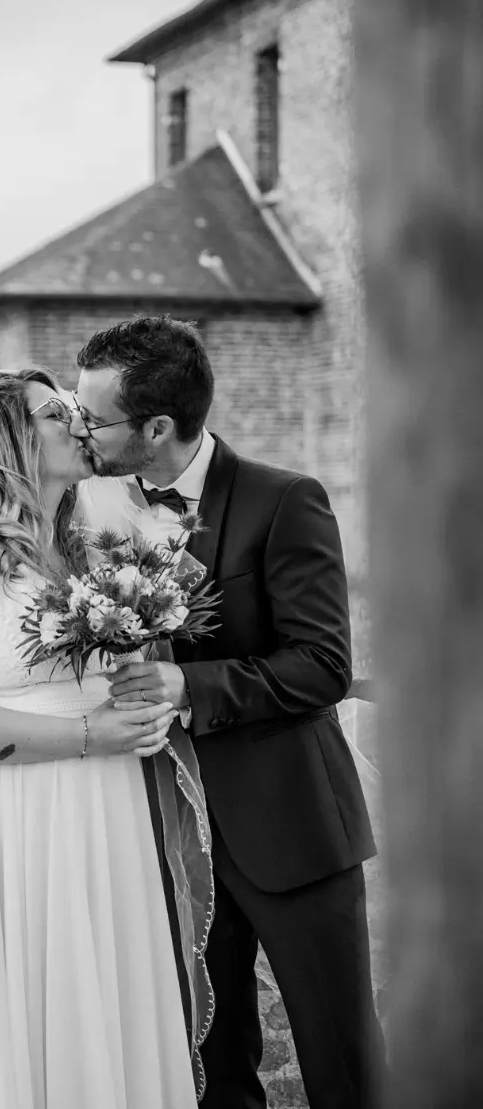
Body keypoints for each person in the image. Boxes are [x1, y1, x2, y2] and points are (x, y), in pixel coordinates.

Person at [0, 366, 209, 1109]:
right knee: (9, 1010)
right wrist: (87, 732)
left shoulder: (90, 551)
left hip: (101, 814)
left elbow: (108, 680)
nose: (79, 423)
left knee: (98, 1007)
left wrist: (142, 707)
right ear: (8, 438)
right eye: (56, 414)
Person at [72, 315, 385, 1109]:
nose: (81, 432)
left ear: (156, 428)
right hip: (168, 835)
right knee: (211, 1068)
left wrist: (187, 686)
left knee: (342, 1061)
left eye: (95, 420)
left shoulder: (284, 501)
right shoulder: (88, 510)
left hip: (290, 828)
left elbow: (322, 665)